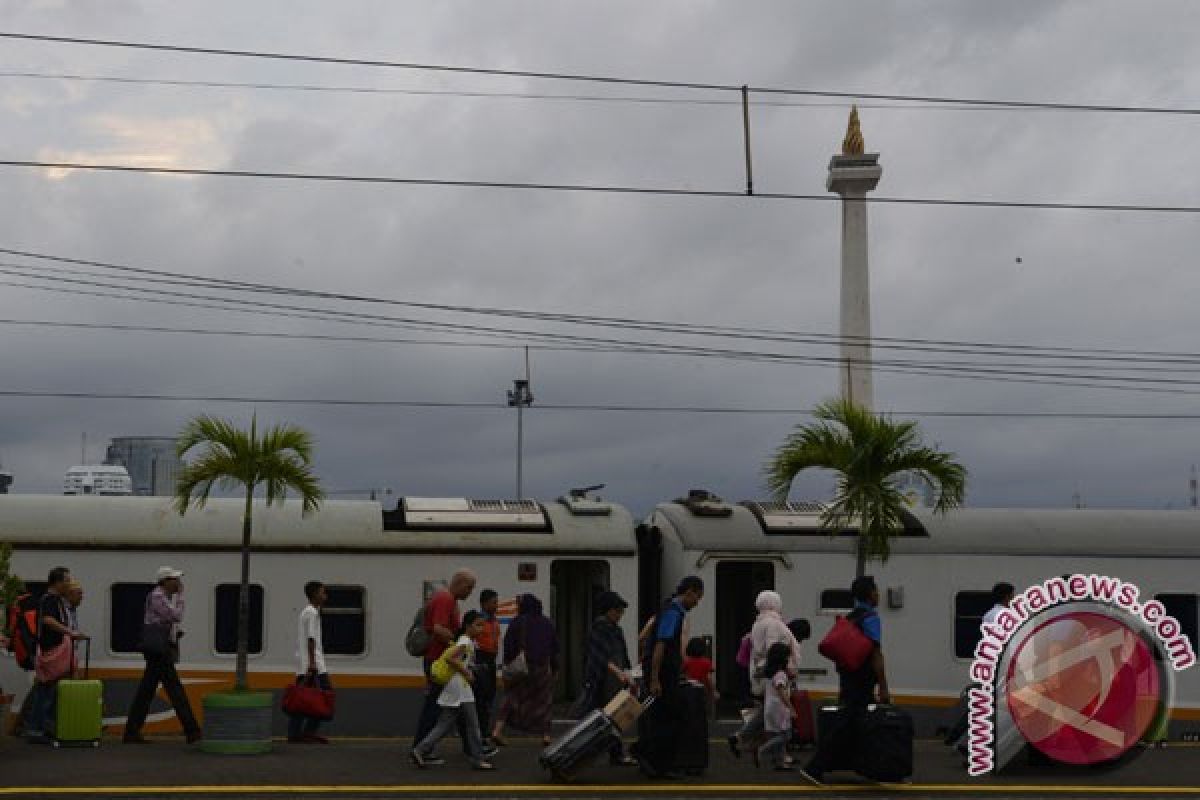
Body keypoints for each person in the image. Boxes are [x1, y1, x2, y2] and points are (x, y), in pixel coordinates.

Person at [801, 575, 890, 785]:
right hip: (862, 679)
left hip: (849, 676)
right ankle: (815, 767)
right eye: (876, 590)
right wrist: (884, 686)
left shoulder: (851, 617)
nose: (879, 594)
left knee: (858, 724)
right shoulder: (870, 618)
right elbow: (876, 655)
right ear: (870, 594)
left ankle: (870, 768)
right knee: (848, 724)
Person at [631, 575, 704, 779]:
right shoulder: (673, 613)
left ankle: (650, 758)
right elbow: (660, 646)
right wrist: (655, 678)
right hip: (663, 674)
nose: (696, 603)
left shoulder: (667, 608)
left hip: (663, 673)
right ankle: (655, 761)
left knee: (660, 717)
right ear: (689, 592)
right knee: (672, 717)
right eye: (697, 598)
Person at [124, 567, 201, 744]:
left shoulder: (161, 596)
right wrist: (181, 597)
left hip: (159, 649)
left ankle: (132, 731)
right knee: (175, 690)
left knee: (147, 691)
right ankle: (192, 731)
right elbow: (176, 616)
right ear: (165, 581)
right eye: (175, 579)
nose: (179, 582)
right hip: (159, 651)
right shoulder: (158, 596)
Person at [411, 611, 495, 771]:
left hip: (453, 687)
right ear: (468, 626)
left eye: (482, 625)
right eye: (478, 625)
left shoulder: (464, 641)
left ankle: (419, 750)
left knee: (444, 724)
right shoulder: (465, 641)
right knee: (473, 725)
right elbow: (451, 659)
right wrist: (467, 673)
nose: (481, 629)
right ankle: (478, 759)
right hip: (461, 688)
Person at [412, 569, 480, 761]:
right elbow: (438, 629)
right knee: (434, 708)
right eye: (469, 587)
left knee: (451, 707)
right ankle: (420, 749)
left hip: (439, 660)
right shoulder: (446, 599)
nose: (470, 592)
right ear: (458, 583)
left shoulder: (447, 599)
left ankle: (472, 748)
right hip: (439, 661)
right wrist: (459, 643)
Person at [728, 591, 803, 758]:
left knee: (766, 713)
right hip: (772, 674)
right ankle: (777, 756)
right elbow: (773, 648)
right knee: (777, 715)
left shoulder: (759, 622)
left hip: (759, 672)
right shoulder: (773, 624)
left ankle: (742, 737)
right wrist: (784, 668)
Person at [25, 566, 86, 743]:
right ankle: (35, 730)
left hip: (54, 651)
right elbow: (48, 620)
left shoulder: (55, 599)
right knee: (45, 692)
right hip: (50, 651)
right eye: (66, 580)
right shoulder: (49, 600)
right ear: (57, 582)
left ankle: (44, 728)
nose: (68, 583)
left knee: (50, 692)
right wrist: (69, 632)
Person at [492, 593, 559, 746]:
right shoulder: (547, 623)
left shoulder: (517, 622)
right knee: (545, 700)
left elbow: (508, 646)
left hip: (521, 667)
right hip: (541, 667)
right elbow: (554, 649)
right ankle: (546, 735)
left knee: (511, 697)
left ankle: (497, 730)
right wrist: (555, 669)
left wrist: (508, 665)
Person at [580, 590, 636, 766]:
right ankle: (588, 751)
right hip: (602, 681)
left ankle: (614, 752)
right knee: (604, 717)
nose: (620, 615)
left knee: (612, 717)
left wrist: (627, 672)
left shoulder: (615, 629)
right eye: (617, 611)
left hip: (613, 681)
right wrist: (620, 672)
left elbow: (621, 655)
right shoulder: (600, 627)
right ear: (607, 610)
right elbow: (601, 657)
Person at [289, 581, 333, 744]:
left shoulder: (307, 612)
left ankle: (296, 733)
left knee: (302, 699)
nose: (325, 596)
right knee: (325, 696)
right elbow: (311, 639)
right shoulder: (312, 613)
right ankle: (306, 732)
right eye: (322, 592)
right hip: (313, 665)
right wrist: (313, 664)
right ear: (315, 595)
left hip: (305, 664)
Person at [758, 642, 796, 771]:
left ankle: (778, 763)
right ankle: (762, 750)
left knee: (775, 734)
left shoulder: (769, 673)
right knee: (786, 735)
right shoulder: (780, 674)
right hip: (779, 708)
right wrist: (791, 708)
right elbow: (782, 692)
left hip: (770, 706)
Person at [473, 589, 501, 748]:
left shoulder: (494, 621)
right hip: (481, 660)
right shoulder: (479, 621)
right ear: (483, 604)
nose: (496, 605)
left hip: (491, 662)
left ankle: (484, 733)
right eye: (493, 602)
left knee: (489, 698)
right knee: (481, 701)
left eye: (496, 602)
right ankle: (481, 736)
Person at [682, 637, 718, 710]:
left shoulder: (686, 662)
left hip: (689, 691)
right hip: (702, 691)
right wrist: (714, 691)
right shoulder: (706, 662)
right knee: (702, 711)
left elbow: (683, 675)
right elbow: (709, 678)